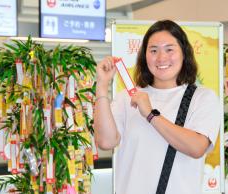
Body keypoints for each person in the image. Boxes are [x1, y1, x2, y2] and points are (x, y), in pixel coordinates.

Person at [94, 20, 221, 194]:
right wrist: (102, 86)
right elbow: (106, 142)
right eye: (153, 50)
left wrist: (151, 115)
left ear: (184, 53)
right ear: (144, 56)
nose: (161, 58)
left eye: (169, 49)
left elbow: (197, 147)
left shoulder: (202, 97)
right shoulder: (127, 97)